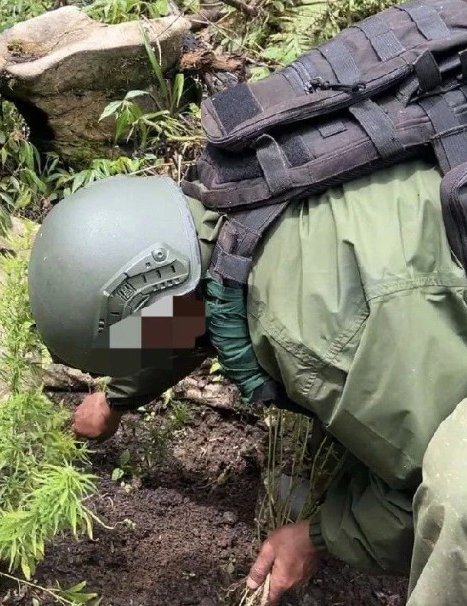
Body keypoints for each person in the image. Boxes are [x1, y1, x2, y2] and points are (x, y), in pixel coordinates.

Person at [27, 157, 467, 603]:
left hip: (406, 328)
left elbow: (420, 493)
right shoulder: (234, 195)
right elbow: (191, 313)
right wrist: (117, 399)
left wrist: (319, 536)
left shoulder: (307, 342)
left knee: (455, 495)